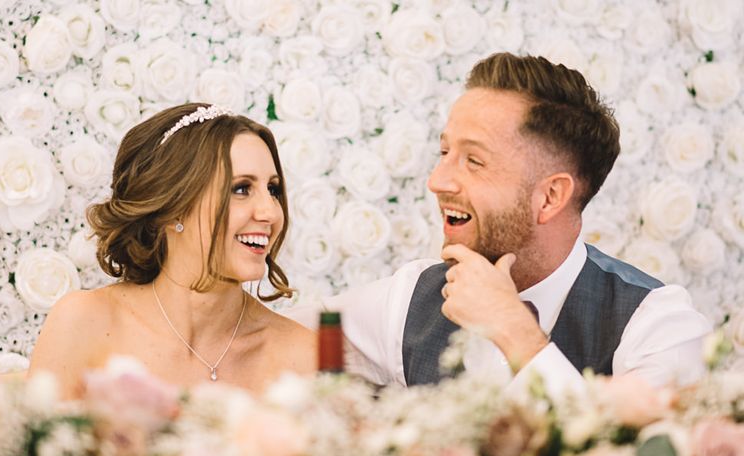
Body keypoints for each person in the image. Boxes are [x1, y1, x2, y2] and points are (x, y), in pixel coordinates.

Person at [297, 53, 711, 395]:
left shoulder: (657, 324)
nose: (437, 181)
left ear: (550, 197)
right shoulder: (410, 298)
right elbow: (267, 339)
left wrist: (515, 331)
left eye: (473, 161)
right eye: (444, 152)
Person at [29, 104, 315, 398]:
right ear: (173, 210)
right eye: (241, 189)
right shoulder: (84, 323)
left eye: (274, 190)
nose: (270, 212)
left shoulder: (301, 357)